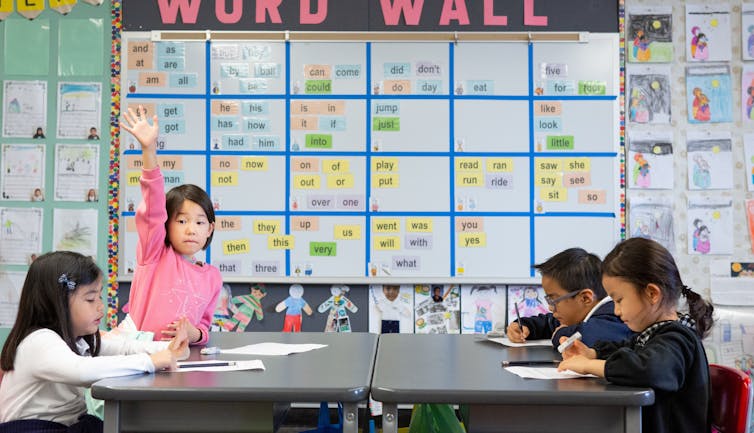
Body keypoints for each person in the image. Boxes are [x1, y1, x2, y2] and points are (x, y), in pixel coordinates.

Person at [0, 251, 189, 431]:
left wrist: (169, 348)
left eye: (99, 296)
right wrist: (150, 362)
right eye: (90, 299)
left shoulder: (78, 340)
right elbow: (81, 371)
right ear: (56, 303)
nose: (101, 307)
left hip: (70, 426)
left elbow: (124, 347)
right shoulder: (38, 341)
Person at [558, 238, 714, 433]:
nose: (616, 311)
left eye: (619, 300)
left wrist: (589, 366)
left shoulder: (678, 338)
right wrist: (592, 353)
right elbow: (628, 347)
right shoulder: (655, 334)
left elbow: (650, 370)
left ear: (651, 293)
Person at [120, 105, 222, 346]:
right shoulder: (154, 254)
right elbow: (153, 207)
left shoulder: (213, 278)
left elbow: (204, 329)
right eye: (182, 220)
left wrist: (192, 333)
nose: (191, 229)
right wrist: (148, 150)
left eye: (199, 222)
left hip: (181, 362)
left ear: (209, 229)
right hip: (141, 358)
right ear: (166, 224)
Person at [506, 248, 633, 348]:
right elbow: (551, 323)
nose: (551, 308)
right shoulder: (579, 315)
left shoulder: (613, 315)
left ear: (585, 298)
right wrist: (526, 326)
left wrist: (561, 334)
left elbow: (593, 337)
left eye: (554, 300)